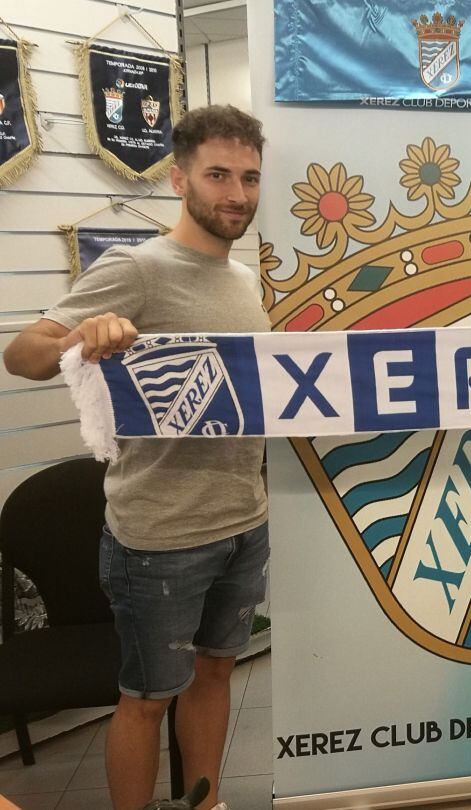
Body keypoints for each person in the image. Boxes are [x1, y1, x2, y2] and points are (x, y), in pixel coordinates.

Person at [3, 105, 270, 810]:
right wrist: (84, 335)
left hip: (243, 521)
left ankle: (203, 805)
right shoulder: (137, 268)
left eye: (248, 177)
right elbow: (22, 352)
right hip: (159, 537)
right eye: (218, 175)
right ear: (179, 179)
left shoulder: (246, 281)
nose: (236, 194)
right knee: (147, 699)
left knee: (216, 677)